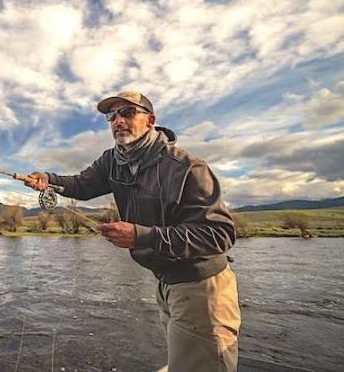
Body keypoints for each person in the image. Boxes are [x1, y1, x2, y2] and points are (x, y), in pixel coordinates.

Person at [23, 91, 240, 372]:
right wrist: (48, 179)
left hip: (201, 286)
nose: (117, 121)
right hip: (165, 282)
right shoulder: (113, 160)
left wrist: (141, 236)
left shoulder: (186, 167)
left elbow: (219, 234)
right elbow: (82, 184)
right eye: (111, 116)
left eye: (127, 113)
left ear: (150, 121)